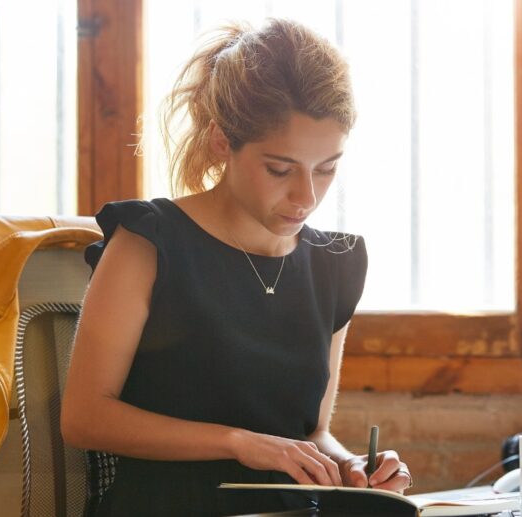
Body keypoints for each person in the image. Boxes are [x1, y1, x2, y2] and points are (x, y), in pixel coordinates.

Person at [61, 18, 411, 516]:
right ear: (222, 142)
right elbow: (85, 418)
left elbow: (311, 433)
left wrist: (352, 468)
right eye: (279, 169)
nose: (306, 196)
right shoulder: (149, 242)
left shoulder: (336, 264)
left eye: (327, 168)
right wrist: (236, 442)